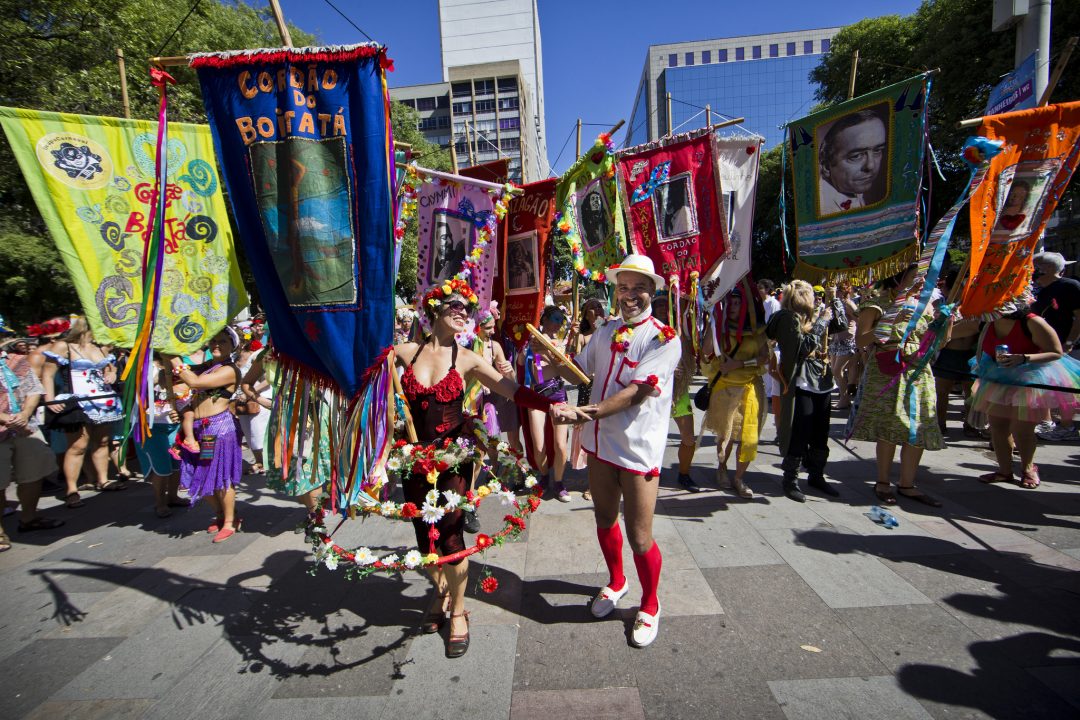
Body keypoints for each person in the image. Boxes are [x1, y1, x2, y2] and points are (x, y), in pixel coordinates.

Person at [394, 279, 582, 658]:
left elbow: (511, 389)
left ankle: (459, 612)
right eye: (455, 305)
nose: (462, 312)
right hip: (413, 461)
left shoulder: (467, 358)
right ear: (433, 309)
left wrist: (553, 407)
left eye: (466, 308)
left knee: (451, 538)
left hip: (454, 460)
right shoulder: (404, 353)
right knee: (424, 539)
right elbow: (371, 382)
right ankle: (441, 593)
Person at [540, 254, 681, 648]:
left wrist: (585, 412)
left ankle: (650, 604)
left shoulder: (664, 338)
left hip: (637, 451)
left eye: (639, 288)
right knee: (604, 518)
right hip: (599, 445)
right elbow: (579, 371)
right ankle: (617, 582)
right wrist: (550, 360)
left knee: (640, 536)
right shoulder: (605, 331)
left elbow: (638, 392)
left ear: (652, 291)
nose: (630, 295)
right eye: (623, 287)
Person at [850, 264, 947, 507]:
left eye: (925, 277)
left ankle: (907, 484)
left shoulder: (925, 306)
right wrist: (890, 321)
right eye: (916, 276)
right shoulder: (877, 303)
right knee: (890, 426)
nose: (922, 282)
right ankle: (883, 482)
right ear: (899, 277)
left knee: (918, 425)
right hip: (887, 369)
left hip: (919, 370)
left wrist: (947, 323)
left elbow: (938, 344)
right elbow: (860, 340)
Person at [970, 307, 1078, 488]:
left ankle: (1028, 468)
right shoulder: (987, 320)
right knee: (998, 426)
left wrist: (1024, 358)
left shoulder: (1032, 322)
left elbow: (1056, 352)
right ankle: (1004, 471)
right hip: (998, 379)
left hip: (1029, 381)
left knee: (1022, 429)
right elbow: (954, 331)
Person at [41, 317, 126, 508]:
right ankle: (72, 489)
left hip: (103, 399)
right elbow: (47, 373)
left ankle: (103, 479)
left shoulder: (101, 347)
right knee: (78, 446)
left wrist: (111, 374)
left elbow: (110, 368)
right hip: (77, 400)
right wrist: (50, 399)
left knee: (102, 442)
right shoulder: (64, 346)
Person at [170, 327, 244, 542]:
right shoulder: (207, 367)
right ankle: (220, 514)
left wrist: (171, 356)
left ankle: (230, 522)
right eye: (213, 341)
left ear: (233, 346)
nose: (217, 344)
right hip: (198, 430)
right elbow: (179, 380)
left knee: (220, 476)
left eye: (223, 341)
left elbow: (194, 382)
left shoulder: (230, 370)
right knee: (200, 475)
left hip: (217, 430)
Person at [768, 280, 840, 501]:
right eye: (811, 295)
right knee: (800, 431)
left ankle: (816, 475)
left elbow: (840, 326)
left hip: (822, 379)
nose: (815, 299)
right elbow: (802, 348)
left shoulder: (812, 316)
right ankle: (790, 480)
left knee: (821, 431)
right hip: (800, 382)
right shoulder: (787, 319)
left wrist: (835, 301)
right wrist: (822, 321)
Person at [703, 284, 768, 498]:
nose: (733, 307)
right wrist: (712, 322)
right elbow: (706, 352)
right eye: (730, 303)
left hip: (750, 388)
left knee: (749, 437)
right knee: (727, 436)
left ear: (745, 306)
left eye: (738, 303)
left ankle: (739, 478)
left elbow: (765, 358)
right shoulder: (719, 328)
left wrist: (739, 364)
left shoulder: (757, 330)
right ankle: (721, 469)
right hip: (725, 388)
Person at [1, 345, 65, 551]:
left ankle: (28, 518)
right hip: (4, 428)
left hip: (24, 427)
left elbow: (34, 389)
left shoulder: (16, 360)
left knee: (34, 472)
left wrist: (25, 414)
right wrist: (5, 418)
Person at [520, 306, 573, 502]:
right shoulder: (532, 341)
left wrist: (549, 350)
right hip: (537, 397)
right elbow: (520, 362)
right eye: (555, 318)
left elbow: (565, 367)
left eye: (561, 320)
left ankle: (559, 482)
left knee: (560, 445)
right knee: (538, 445)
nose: (558, 323)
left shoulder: (561, 344)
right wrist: (527, 348)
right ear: (544, 320)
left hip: (558, 395)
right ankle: (544, 477)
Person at [652, 292, 699, 492]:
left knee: (689, 437)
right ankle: (651, 472)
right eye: (659, 304)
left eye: (666, 304)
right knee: (653, 438)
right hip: (655, 393)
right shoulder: (648, 331)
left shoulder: (681, 330)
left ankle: (684, 474)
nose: (663, 308)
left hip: (679, 392)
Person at [1031, 252, 1080, 441]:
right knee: (1045, 385)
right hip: (1046, 347)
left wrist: (1070, 342)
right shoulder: (1042, 290)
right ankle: (1047, 422)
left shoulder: (1070, 286)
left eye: (1036, 267)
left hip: (1066, 347)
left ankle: (1068, 427)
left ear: (1048, 268)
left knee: (1066, 388)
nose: (1032, 271)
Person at [135, 359, 189, 518]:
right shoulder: (144, 364)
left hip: (173, 423)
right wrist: (157, 379)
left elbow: (188, 389)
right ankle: (160, 503)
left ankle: (173, 496)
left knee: (176, 462)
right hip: (150, 424)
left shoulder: (178, 365)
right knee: (162, 466)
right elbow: (135, 391)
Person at [568, 297, 606, 498]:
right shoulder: (583, 336)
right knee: (589, 433)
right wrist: (574, 336)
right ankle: (593, 483)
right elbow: (574, 361)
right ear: (585, 314)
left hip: (606, 387)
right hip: (588, 388)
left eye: (599, 306)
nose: (597, 309)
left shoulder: (607, 330)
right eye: (592, 308)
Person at [818, 109, 887, 215]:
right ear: (826, 166)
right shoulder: (822, 206)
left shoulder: (850, 189)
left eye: (877, 150)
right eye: (856, 156)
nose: (870, 166)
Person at [827, 282, 859, 410]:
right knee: (834, 371)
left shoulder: (849, 304)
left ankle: (844, 399)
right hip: (836, 340)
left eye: (837, 290)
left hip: (847, 340)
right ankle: (844, 398)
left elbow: (860, 320)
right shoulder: (834, 303)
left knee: (837, 370)